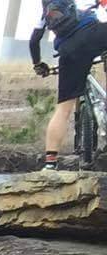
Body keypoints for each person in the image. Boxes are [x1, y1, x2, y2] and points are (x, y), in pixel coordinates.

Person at [31, 0, 107, 169]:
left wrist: (38, 64)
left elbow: (34, 40)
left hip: (69, 49)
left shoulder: (47, 8)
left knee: (63, 110)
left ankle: (50, 164)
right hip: (96, 34)